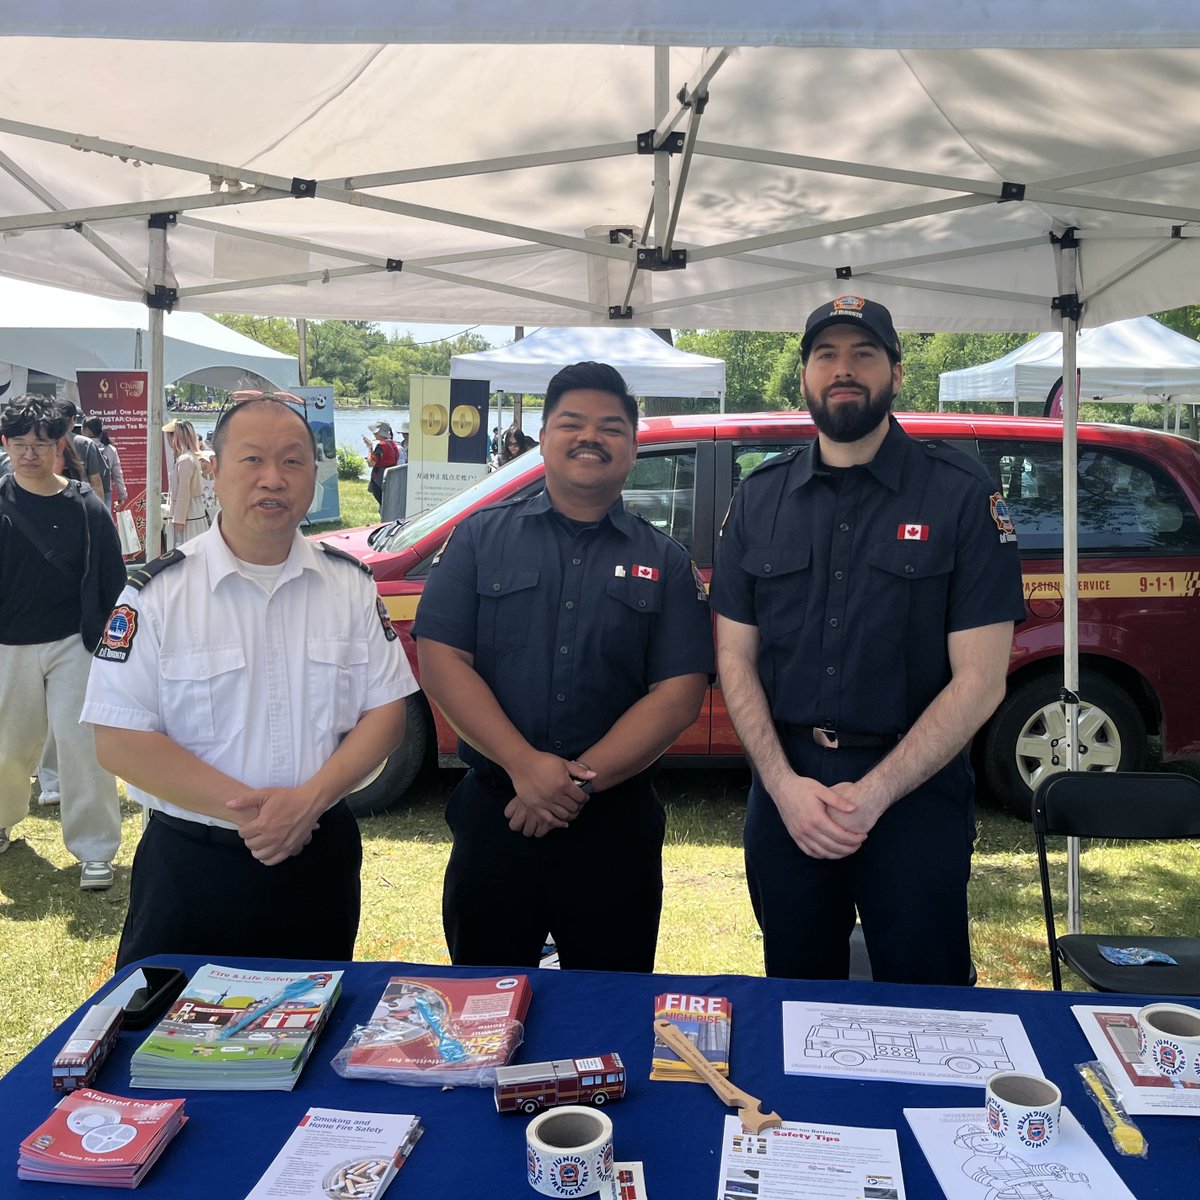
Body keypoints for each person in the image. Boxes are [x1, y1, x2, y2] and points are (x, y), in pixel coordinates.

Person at [710, 296, 1026, 986]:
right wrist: (785, 787)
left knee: (928, 999)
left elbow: (981, 679)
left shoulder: (960, 496)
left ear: (896, 372)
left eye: (863, 354)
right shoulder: (760, 498)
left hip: (914, 796)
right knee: (794, 991)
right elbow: (734, 658)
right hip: (786, 790)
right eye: (826, 355)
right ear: (804, 376)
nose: (843, 369)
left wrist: (875, 794)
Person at [82, 392, 417, 967]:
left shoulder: (350, 586)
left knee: (313, 1024)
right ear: (214, 469)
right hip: (193, 861)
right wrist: (254, 817)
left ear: (314, 473)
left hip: (319, 852)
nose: (274, 478)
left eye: (293, 461)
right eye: (253, 460)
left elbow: (387, 711)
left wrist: (307, 804)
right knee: (168, 1040)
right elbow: (119, 737)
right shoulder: (158, 594)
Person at [414, 361, 713, 972]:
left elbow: (678, 693)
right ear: (542, 439)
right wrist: (525, 767)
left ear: (632, 447)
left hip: (614, 830)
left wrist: (569, 786)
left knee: (608, 1011)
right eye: (571, 422)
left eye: (610, 427)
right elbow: (442, 658)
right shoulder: (477, 539)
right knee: (484, 1010)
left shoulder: (667, 561)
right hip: (498, 816)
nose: (590, 437)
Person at [0, 395, 125, 887]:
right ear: (6, 444)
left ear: (59, 445)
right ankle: (3, 819)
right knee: (9, 747)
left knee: (83, 745)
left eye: (42, 443)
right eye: (20, 443)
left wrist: (118, 647)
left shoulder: (85, 505)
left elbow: (114, 581)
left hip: (76, 643)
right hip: (8, 644)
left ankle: (96, 849)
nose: (30, 453)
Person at [164, 419, 208, 545]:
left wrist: (179, 519)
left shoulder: (185, 460)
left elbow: (184, 491)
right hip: (192, 513)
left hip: (188, 516)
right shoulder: (190, 457)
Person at [81, 417, 127, 518]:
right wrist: (122, 496)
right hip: (106, 491)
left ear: (86, 429)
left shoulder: (81, 446)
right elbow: (118, 474)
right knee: (104, 521)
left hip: (84, 491)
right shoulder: (110, 449)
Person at [363, 421, 401, 509]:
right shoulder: (392, 444)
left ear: (379, 432)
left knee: (383, 504)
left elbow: (370, 463)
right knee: (388, 503)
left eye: (375, 431)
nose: (373, 433)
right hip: (390, 477)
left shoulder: (381, 445)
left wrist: (369, 447)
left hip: (380, 478)